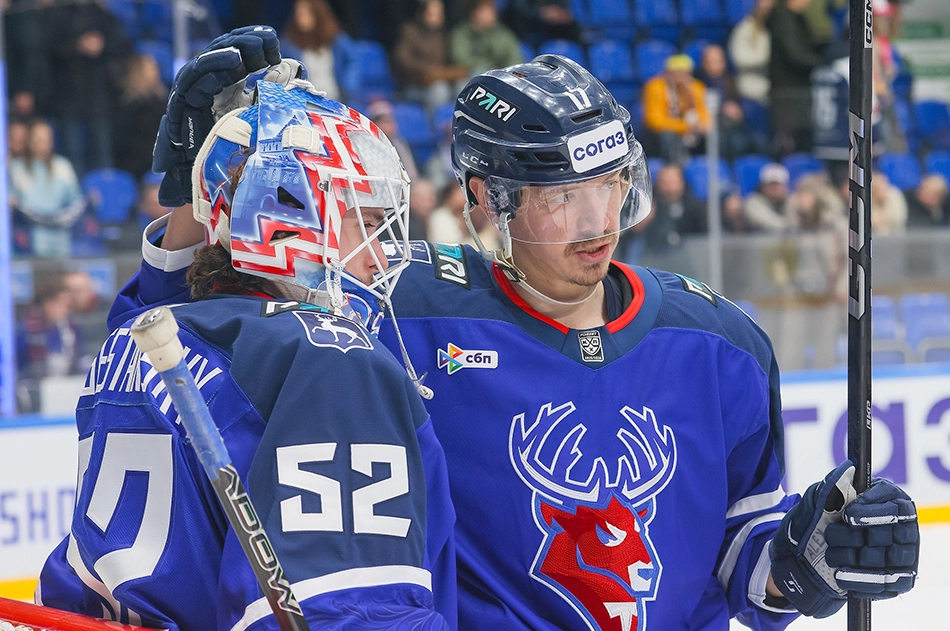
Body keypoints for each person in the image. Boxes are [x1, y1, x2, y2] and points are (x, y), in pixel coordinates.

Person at [110, 46, 920, 631]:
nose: (599, 222)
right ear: (483, 200)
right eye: (561, 197)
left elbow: (746, 563)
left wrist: (805, 560)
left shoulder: (721, 341)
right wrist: (189, 204)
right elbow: (206, 344)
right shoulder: (396, 305)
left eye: (610, 186)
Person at [37, 29, 455, 631]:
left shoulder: (140, 339)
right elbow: (350, 617)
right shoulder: (328, 361)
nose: (380, 256)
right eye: (364, 221)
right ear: (289, 225)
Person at [8, 119, 86, 258]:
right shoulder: (16, 168)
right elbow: (11, 201)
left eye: (46, 137)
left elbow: (75, 200)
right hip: (29, 240)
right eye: (38, 138)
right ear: (30, 141)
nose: (42, 142)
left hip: (60, 237)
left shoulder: (63, 166)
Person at [767, 0, 824, 156]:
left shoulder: (797, 17)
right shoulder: (783, 18)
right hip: (788, 92)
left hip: (799, 90)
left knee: (803, 140)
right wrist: (821, 63)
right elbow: (795, 54)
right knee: (789, 142)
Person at [392, 0, 470, 112]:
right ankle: (435, 126)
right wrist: (427, 70)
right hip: (415, 84)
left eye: (439, 14)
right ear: (422, 14)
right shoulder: (409, 32)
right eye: (432, 14)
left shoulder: (442, 35)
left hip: (440, 78)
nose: (437, 18)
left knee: (462, 85)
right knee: (439, 90)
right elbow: (403, 59)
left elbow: (451, 59)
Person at [280, 0, 359, 101]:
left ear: (317, 14)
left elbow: (353, 60)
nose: (299, 18)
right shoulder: (289, 44)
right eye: (298, 13)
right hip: (304, 104)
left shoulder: (336, 39)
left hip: (336, 102)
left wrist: (348, 87)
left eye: (305, 13)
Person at [642, 54, 710, 164]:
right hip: (665, 133)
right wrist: (684, 127)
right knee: (667, 137)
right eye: (676, 74)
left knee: (713, 135)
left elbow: (704, 113)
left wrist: (690, 95)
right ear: (667, 74)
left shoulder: (697, 87)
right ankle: (670, 167)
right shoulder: (655, 87)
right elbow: (655, 121)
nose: (680, 78)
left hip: (691, 131)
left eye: (684, 74)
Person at [113, 53, 168, 180]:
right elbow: (123, 140)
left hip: (159, 159)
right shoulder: (128, 103)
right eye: (151, 68)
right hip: (135, 165)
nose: (155, 72)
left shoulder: (161, 99)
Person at [449, 0, 523, 76]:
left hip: (501, 75)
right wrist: (488, 68)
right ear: (475, 13)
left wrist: (503, 71)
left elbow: (515, 59)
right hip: (470, 75)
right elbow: (461, 58)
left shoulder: (503, 34)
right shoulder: (462, 33)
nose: (492, 14)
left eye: (493, 10)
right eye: (486, 11)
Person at [728, 0, 773, 105]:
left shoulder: (769, 29)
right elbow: (740, 58)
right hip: (750, 89)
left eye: (769, 9)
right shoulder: (744, 29)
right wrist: (768, 57)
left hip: (770, 89)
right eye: (764, 9)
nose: (766, 12)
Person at [743, 162, 792, 232]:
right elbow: (773, 224)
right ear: (763, 185)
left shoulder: (790, 201)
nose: (775, 187)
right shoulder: (752, 203)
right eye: (771, 184)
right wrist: (789, 225)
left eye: (779, 184)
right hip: (758, 241)